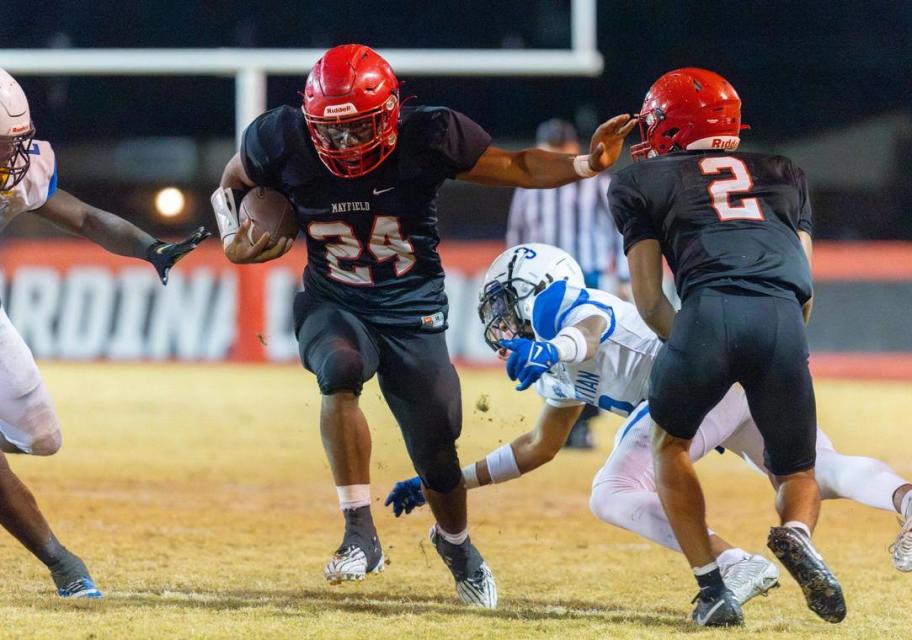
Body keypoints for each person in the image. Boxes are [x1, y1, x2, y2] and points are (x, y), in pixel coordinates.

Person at [210, 44, 635, 608]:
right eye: (329, 132)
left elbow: (518, 166)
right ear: (308, 121)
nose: (343, 144)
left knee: (437, 447)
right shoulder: (281, 137)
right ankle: (359, 533)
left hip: (413, 309)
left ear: (389, 114)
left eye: (357, 128)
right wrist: (230, 234)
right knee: (338, 370)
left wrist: (586, 164)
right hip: (335, 298)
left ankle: (456, 545)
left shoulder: (429, 136)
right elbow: (231, 180)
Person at [385, 243, 912, 607]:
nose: (501, 322)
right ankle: (908, 498)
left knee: (611, 491)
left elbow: (588, 326)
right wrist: (451, 481)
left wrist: (550, 347)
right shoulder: (550, 362)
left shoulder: (570, 307)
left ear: (534, 291)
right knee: (815, 471)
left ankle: (735, 564)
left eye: (506, 304)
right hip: (732, 381)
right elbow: (538, 446)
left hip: (696, 386)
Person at [609, 67, 840, 626]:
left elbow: (648, 299)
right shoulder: (785, 173)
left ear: (669, 126)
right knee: (796, 470)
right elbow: (803, 286)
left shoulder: (639, 182)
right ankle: (797, 532)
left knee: (669, 447)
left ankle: (713, 588)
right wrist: (772, 349)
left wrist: (691, 353)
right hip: (782, 317)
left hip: (707, 312)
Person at [0, 68, 209, 598]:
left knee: (43, 438)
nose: (12, 158)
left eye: (16, 144)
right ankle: (62, 563)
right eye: (2, 146)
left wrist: (148, 247)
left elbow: (87, 218)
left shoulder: (21, 172)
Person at [505, 119, 629, 450]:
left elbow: (621, 232)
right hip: (541, 284)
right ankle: (559, 424)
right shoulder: (528, 188)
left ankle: (583, 424)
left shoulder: (597, 185)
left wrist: (623, 278)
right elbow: (516, 236)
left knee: (585, 353)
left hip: (585, 278)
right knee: (552, 355)